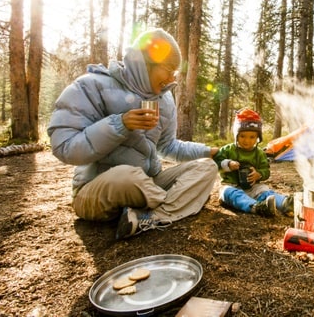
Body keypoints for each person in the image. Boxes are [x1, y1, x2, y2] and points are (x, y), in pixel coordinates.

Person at [47, 28, 219, 240]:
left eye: (175, 71)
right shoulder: (92, 85)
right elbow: (64, 147)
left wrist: (208, 151)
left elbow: (168, 147)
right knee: (128, 175)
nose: (172, 78)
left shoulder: (164, 101)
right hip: (96, 190)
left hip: (146, 184)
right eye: (168, 69)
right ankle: (175, 203)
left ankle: (151, 217)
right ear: (144, 62)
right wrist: (119, 124)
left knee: (207, 168)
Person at [213, 108, 293, 217]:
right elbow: (216, 162)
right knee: (229, 193)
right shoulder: (227, 150)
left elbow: (266, 170)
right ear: (236, 135)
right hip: (232, 186)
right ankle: (258, 207)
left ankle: (286, 203)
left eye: (252, 137)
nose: (247, 141)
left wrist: (258, 175)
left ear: (258, 137)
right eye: (242, 136)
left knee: (266, 192)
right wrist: (228, 164)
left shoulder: (259, 153)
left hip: (253, 187)